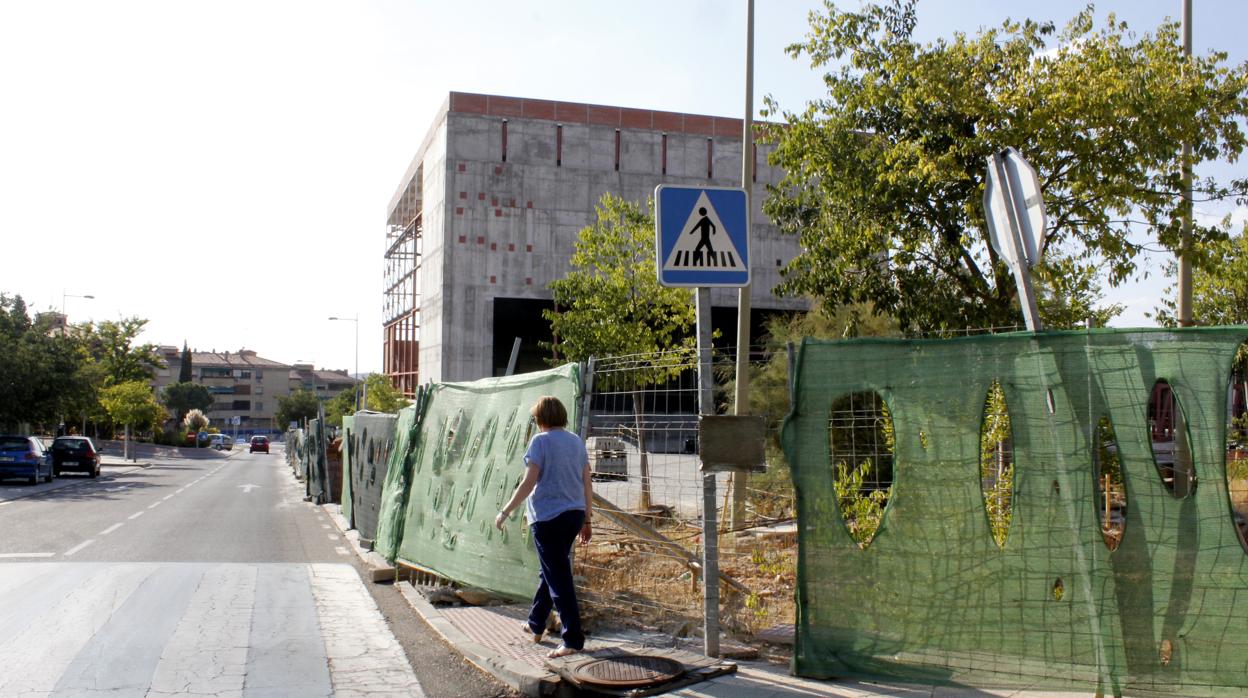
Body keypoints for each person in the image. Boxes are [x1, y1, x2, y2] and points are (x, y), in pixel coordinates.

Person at [494, 395, 593, 658]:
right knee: (551, 570)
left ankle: (572, 639)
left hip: (548, 517)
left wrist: (505, 511)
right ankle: (536, 623)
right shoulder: (576, 442)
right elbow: (587, 483)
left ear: (540, 419)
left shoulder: (540, 441)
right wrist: (587, 519)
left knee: (558, 577)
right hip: (573, 515)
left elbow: (529, 482)